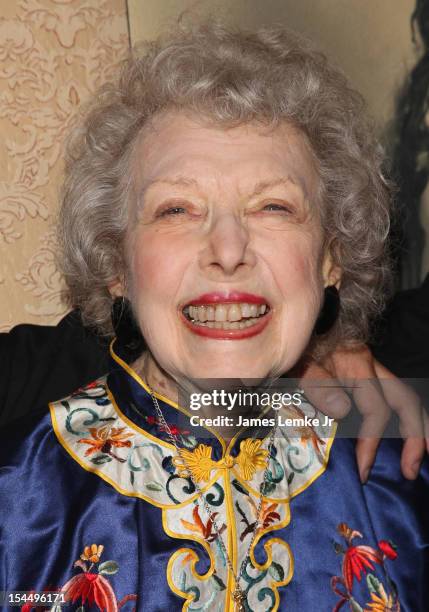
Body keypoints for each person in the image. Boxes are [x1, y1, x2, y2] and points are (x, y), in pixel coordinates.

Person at [0, 20, 427, 612]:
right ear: (115, 263)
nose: (228, 249)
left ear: (331, 258)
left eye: (274, 206)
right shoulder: (15, 500)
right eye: (176, 209)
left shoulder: (403, 493)